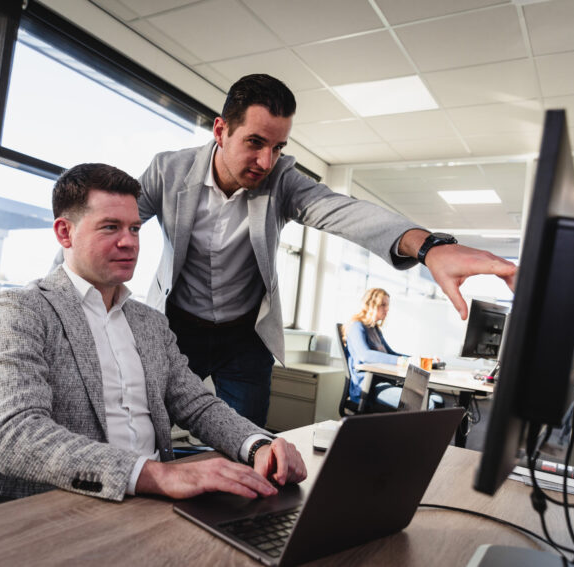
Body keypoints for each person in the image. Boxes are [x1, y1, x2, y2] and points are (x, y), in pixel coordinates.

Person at [60, 73, 516, 427]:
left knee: (246, 447)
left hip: (245, 338)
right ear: (221, 130)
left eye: (278, 146)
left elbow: (344, 212)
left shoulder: (281, 181)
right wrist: (58, 297)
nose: (266, 161)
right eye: (255, 143)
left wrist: (429, 247)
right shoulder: (169, 171)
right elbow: (99, 227)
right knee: (147, 427)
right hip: (177, 327)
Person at [0, 163, 306, 502]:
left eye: (135, 229)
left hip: (155, 503)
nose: (129, 243)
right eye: (110, 227)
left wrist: (258, 445)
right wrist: (157, 475)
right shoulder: (21, 309)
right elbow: (16, 437)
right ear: (65, 233)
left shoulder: (149, 322)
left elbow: (198, 405)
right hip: (61, 507)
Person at [343, 288, 441, 410]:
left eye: (387, 305)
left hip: (385, 383)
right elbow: (365, 355)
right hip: (368, 388)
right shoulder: (356, 326)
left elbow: (391, 354)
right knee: (428, 404)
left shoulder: (375, 330)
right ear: (371, 304)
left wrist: (417, 359)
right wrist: (404, 361)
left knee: (438, 400)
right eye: (383, 304)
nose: (387, 309)